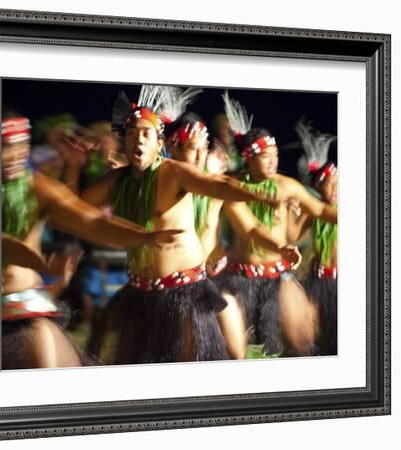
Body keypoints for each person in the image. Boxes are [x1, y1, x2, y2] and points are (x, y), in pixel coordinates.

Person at [83, 85, 280, 364]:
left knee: (217, 359)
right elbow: (74, 208)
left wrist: (255, 195)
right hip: (141, 292)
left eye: (146, 133)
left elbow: (219, 187)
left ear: (159, 143)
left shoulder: (176, 173)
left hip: (189, 291)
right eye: (131, 133)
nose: (138, 140)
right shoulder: (118, 181)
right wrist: (74, 167)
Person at [0, 114, 183, 369]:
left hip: (26, 308)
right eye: (6, 147)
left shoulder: (37, 188)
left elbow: (92, 222)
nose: (15, 156)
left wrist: (145, 236)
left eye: (22, 146)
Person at [165, 112, 301, 359]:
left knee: (236, 352)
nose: (199, 156)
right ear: (172, 148)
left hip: (213, 280)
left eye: (202, 149)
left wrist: (280, 247)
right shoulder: (162, 185)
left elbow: (250, 228)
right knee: (187, 354)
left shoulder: (217, 185)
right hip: (177, 284)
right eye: (191, 149)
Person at [212, 92, 338, 356]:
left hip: (278, 276)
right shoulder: (233, 188)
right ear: (248, 157)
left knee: (302, 341)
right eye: (265, 155)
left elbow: (320, 210)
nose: (273, 160)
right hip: (238, 278)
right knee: (235, 351)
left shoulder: (286, 185)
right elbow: (251, 230)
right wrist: (281, 248)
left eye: (275, 154)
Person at [287, 120, 338, 355]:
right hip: (318, 281)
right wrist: (292, 211)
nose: (337, 190)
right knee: (316, 332)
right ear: (319, 186)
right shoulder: (314, 208)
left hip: (341, 281)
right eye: (331, 185)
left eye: (339, 184)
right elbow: (293, 236)